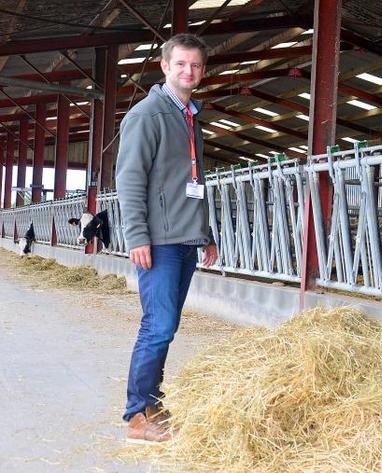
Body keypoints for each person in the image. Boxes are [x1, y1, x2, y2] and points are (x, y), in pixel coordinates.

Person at [115, 33, 218, 444]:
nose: (188, 72)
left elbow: (193, 181)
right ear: (164, 66)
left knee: (167, 325)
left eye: (195, 65)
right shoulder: (148, 115)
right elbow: (129, 178)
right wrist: (137, 234)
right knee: (157, 326)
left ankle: (152, 402)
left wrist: (204, 234)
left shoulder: (190, 116)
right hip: (157, 241)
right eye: (181, 64)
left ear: (203, 70)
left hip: (184, 239)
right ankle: (137, 414)